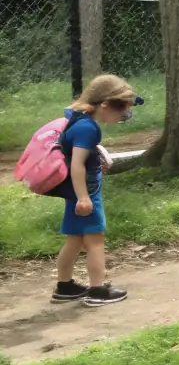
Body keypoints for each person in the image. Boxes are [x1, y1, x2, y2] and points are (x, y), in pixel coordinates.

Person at [52, 74, 138, 306]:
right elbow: (76, 164)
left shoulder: (77, 120)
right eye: (122, 110)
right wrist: (84, 198)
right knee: (95, 240)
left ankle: (65, 286)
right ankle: (98, 290)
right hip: (85, 194)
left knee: (75, 240)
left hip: (75, 193)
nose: (123, 116)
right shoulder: (88, 128)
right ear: (105, 105)